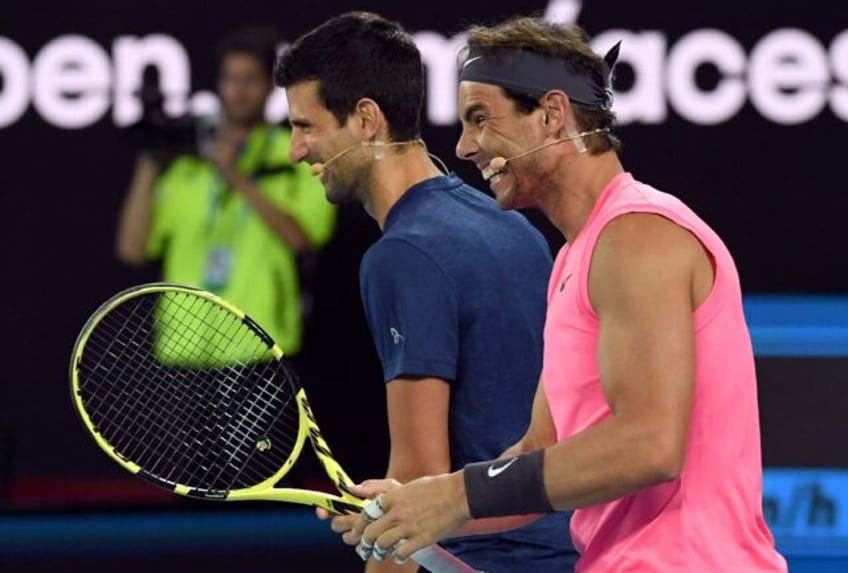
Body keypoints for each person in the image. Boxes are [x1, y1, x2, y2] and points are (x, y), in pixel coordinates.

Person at [348, 17, 789, 573]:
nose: (463, 146)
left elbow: (649, 444)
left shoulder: (637, 236)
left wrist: (459, 494)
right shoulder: (575, 259)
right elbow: (537, 452)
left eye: (480, 119)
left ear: (553, 115)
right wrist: (415, 507)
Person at [274, 12, 578, 573]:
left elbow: (416, 482)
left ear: (366, 119)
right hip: (572, 549)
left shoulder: (401, 256)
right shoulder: (510, 223)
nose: (296, 151)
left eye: (306, 126)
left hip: (490, 560)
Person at [115, 26, 335, 359]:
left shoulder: (294, 155)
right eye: (231, 79)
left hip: (260, 349)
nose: (239, 91)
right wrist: (150, 160)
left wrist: (234, 175)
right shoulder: (187, 166)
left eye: (250, 79)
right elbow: (133, 249)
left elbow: (302, 239)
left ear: (269, 88)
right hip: (182, 352)